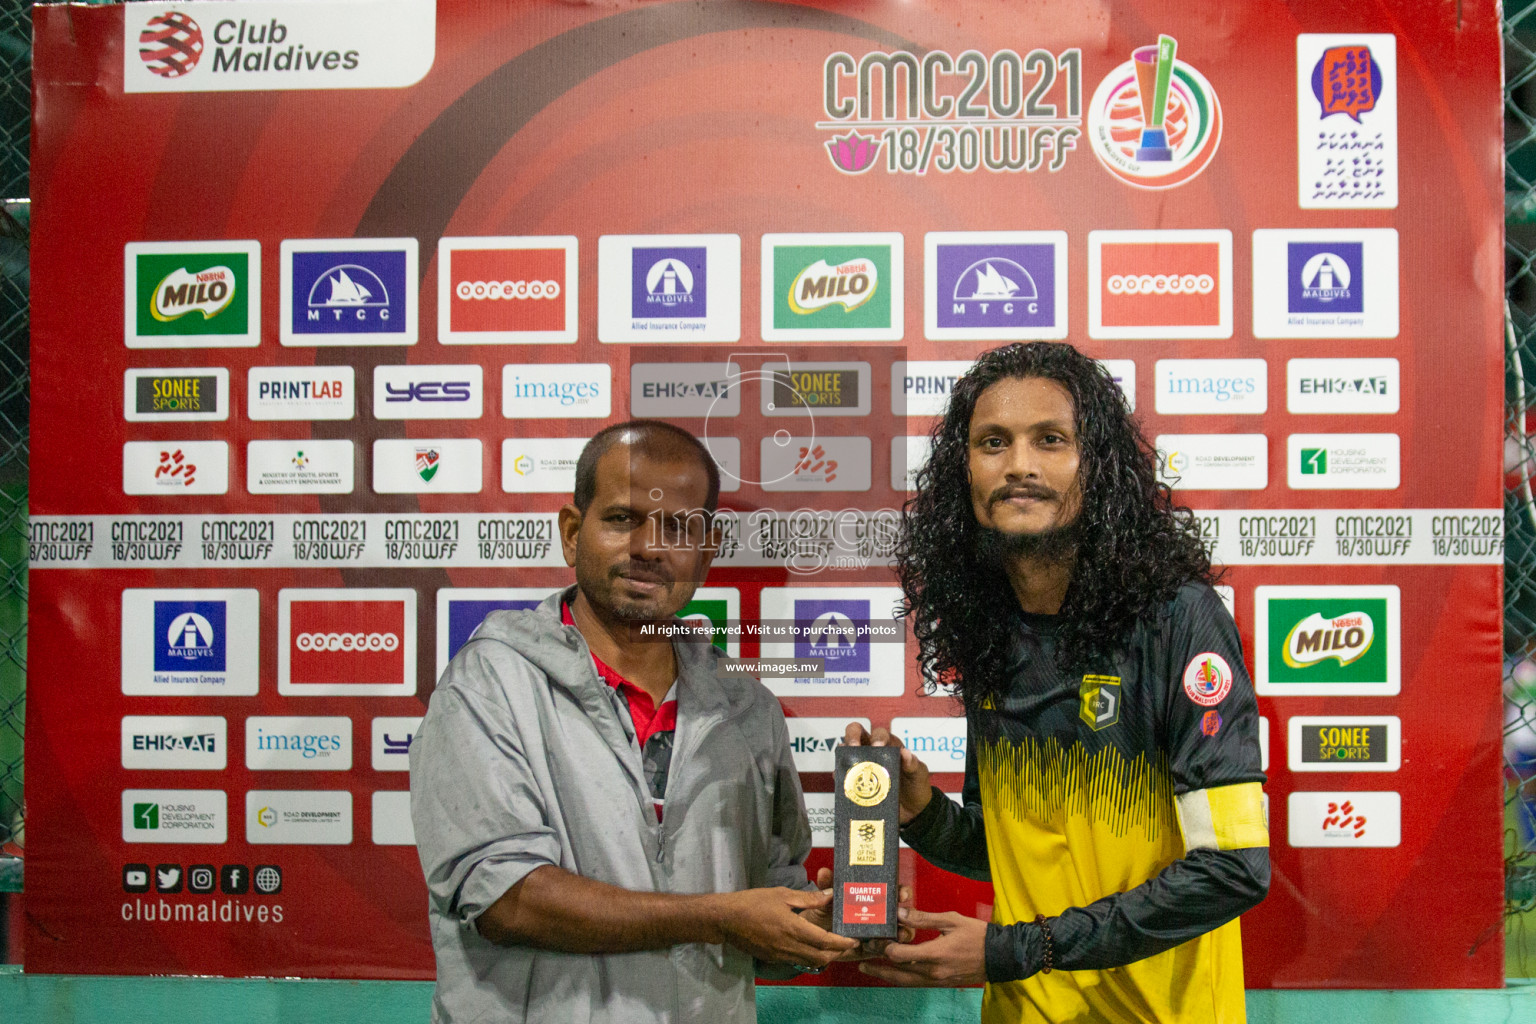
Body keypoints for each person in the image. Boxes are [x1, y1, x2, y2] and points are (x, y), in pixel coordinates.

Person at [856, 342, 1270, 1023]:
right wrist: (921, 814)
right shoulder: (989, 628)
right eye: (994, 443)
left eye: (1050, 440)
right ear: (965, 472)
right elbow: (1019, 855)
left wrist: (1020, 950)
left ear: (1098, 465)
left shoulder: (1177, 618)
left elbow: (1232, 868)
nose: (1019, 465)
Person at [410, 420, 859, 1024]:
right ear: (573, 534)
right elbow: (506, 900)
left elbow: (761, 918)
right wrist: (717, 915)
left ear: (709, 547)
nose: (649, 547)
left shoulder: (749, 708)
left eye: (677, 527)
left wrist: (824, 921)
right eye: (622, 519)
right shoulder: (491, 684)